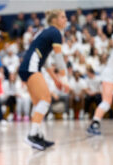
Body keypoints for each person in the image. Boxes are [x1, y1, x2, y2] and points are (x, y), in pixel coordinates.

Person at [18, 9, 67, 150]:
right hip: (31, 67)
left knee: (39, 102)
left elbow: (44, 61)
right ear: (54, 20)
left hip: (27, 67)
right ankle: (32, 135)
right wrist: (64, 80)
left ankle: (38, 135)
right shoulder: (55, 32)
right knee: (46, 99)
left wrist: (56, 79)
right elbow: (59, 58)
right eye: (63, 17)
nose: (65, 20)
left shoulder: (46, 32)